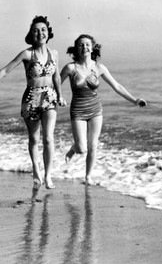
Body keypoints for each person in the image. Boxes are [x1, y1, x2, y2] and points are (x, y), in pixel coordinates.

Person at [0, 16, 66, 189]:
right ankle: (35, 167)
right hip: (32, 97)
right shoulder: (27, 54)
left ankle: (48, 175)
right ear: (32, 35)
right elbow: (5, 70)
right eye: (36, 31)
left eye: (43, 30)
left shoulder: (54, 53)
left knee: (48, 138)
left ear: (48, 33)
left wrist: (60, 95)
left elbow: (56, 76)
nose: (40, 33)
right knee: (34, 138)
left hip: (50, 97)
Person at [60, 34, 147, 185]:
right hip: (78, 111)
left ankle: (88, 177)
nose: (84, 47)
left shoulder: (99, 68)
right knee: (82, 148)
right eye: (81, 45)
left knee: (93, 144)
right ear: (76, 48)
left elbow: (117, 86)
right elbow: (55, 85)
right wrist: (58, 98)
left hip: (95, 110)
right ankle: (74, 148)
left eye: (87, 44)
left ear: (92, 47)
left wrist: (135, 100)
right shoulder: (70, 68)